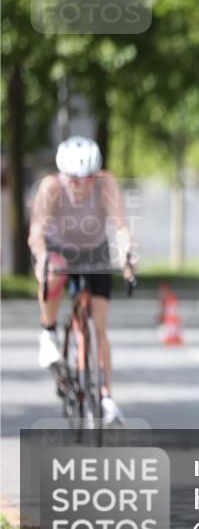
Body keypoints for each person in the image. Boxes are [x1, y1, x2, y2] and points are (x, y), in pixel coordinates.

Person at [28, 136, 135, 425]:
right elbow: (37, 231)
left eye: (87, 178)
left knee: (99, 326)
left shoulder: (106, 185)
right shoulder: (51, 187)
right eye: (73, 179)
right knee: (52, 272)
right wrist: (40, 258)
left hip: (94, 249)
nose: (80, 185)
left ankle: (107, 397)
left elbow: (120, 224)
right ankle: (48, 332)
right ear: (63, 175)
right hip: (58, 248)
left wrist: (126, 255)